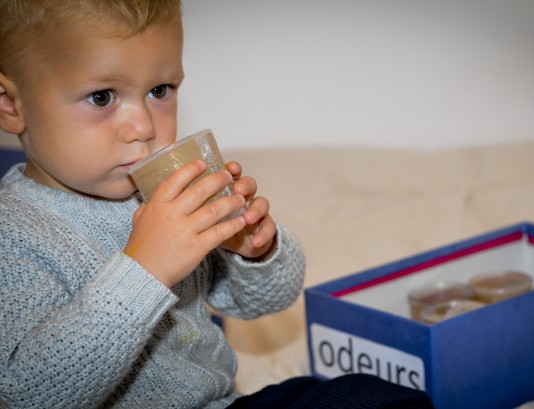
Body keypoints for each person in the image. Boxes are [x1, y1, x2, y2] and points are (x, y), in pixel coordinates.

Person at [0, 1, 434, 408]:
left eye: (159, 89)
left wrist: (255, 251)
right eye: (102, 97)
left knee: (371, 396)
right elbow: (28, 394)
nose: (143, 126)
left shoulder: (161, 191)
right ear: (10, 105)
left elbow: (264, 301)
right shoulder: (14, 233)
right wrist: (145, 270)